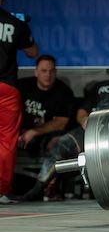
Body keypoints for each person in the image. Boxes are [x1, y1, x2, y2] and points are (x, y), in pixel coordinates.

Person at [16, 48, 109, 201]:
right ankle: (39, 189)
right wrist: (84, 120)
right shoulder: (100, 86)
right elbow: (82, 110)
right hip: (93, 131)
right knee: (61, 144)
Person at [12, 55, 75, 201]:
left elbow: (60, 123)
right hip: (19, 133)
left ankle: (49, 187)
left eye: (51, 71)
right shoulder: (22, 86)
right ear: (36, 72)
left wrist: (33, 132)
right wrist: (16, 131)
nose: (48, 75)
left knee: (57, 142)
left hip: (48, 136)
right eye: (44, 71)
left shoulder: (64, 92)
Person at [0, 0, 38, 204]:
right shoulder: (16, 23)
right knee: (6, 141)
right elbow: (33, 53)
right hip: (7, 88)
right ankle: (2, 191)